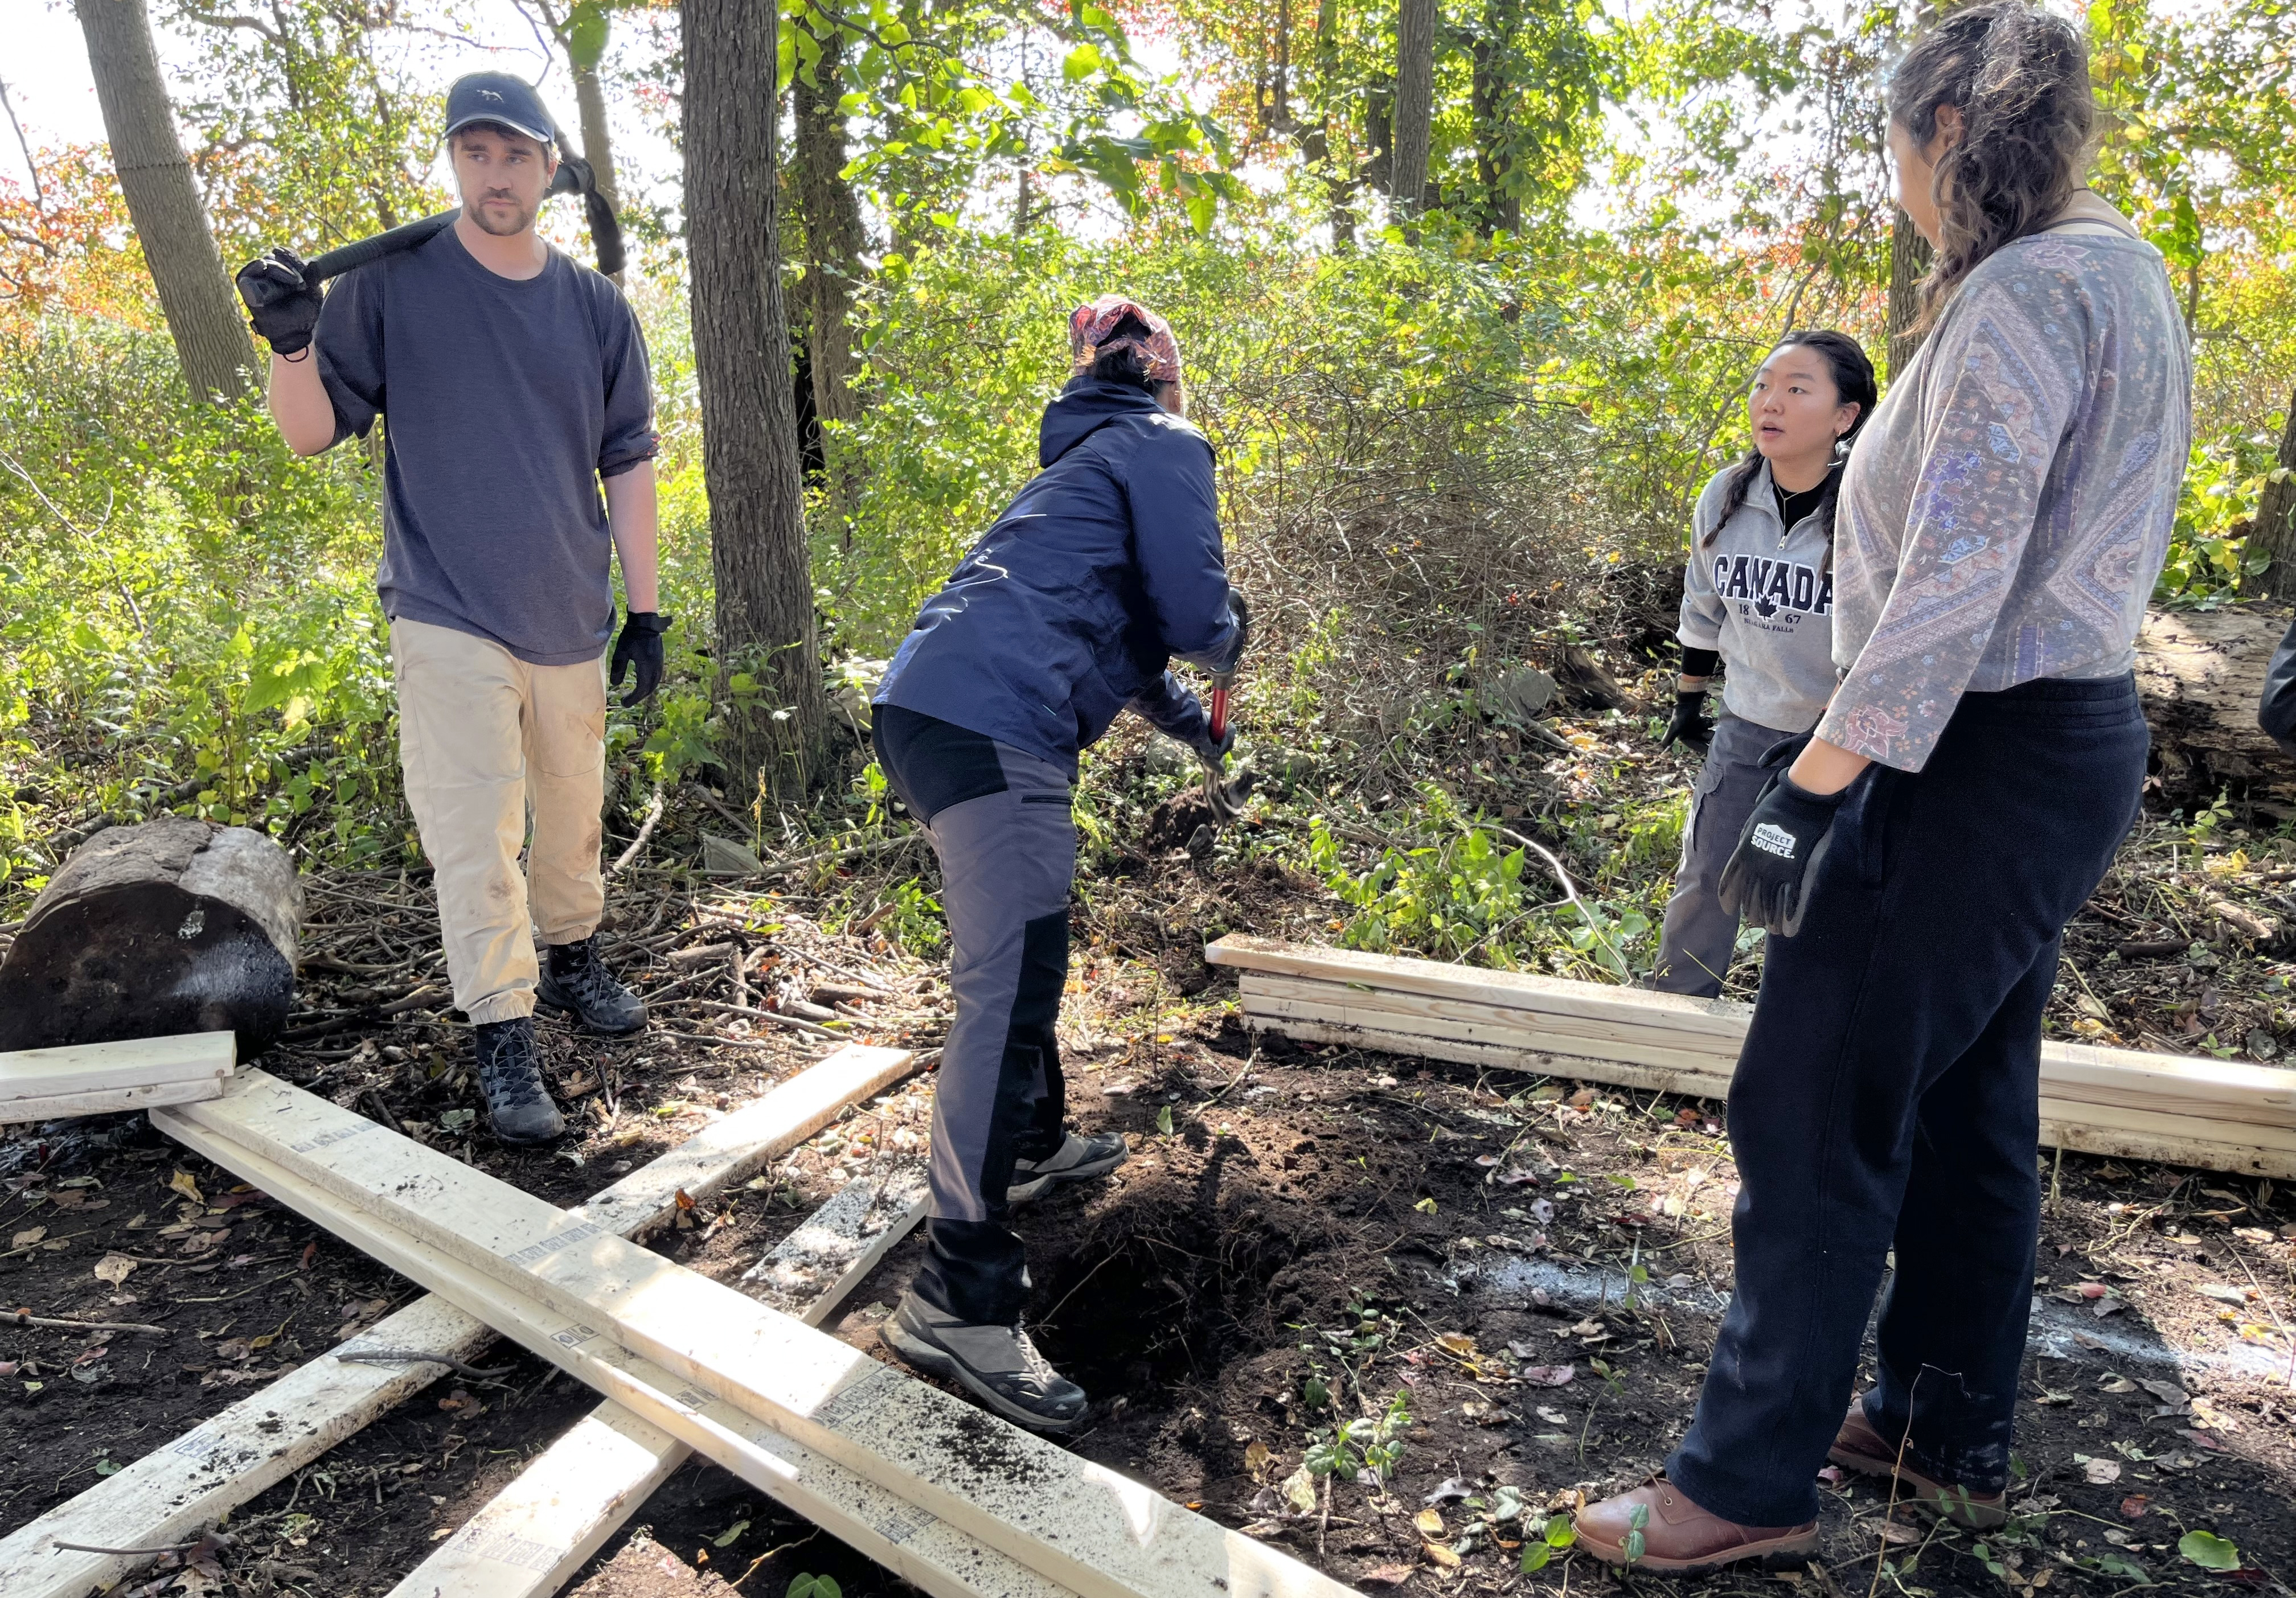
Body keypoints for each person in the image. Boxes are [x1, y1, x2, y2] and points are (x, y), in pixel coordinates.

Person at [1577, 2, 2190, 1570]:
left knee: (1812, 1091)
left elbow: (1951, 584)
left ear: (1952, 138)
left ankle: (1742, 1480)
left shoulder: (2017, 295)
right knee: (1973, 1096)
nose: (1898, 184)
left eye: (1902, 148)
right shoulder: (2124, 272)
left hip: (1968, 751)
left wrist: (1809, 784)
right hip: (2065, 740)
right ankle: (1941, 1422)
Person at [239, 73, 665, 1146]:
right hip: (444, 604)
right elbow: (307, 432)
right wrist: (293, 343)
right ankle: (503, 1032)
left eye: (515, 155)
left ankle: (571, 960)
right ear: (454, 163)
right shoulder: (392, 285)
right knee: (477, 829)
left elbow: (630, 464)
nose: (495, 174)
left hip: (568, 603)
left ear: (550, 168)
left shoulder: (597, 308)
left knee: (571, 817)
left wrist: (646, 611)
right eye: (475, 154)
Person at [869, 295, 1246, 1432]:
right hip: (998, 723)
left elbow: (1124, 640)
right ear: (1159, 375)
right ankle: (960, 1297)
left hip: (941, 705)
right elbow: (1189, 610)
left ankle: (1029, 1148)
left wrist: (1195, 724)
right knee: (1009, 982)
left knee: (1033, 940)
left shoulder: (1082, 466)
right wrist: (1230, 633)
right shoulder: (1165, 443)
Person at [1649, 332, 1877, 997]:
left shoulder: (1868, 513)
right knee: (1707, 876)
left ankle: (1794, 1038)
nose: (1769, 403)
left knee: (1815, 891)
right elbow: (1703, 607)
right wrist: (1689, 700)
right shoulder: (1726, 495)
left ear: (1845, 417)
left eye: (1798, 389)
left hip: (1844, 740)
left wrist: (1838, 741)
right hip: (1748, 726)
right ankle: (1674, 1018)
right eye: (1762, 385)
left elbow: (1884, 642)